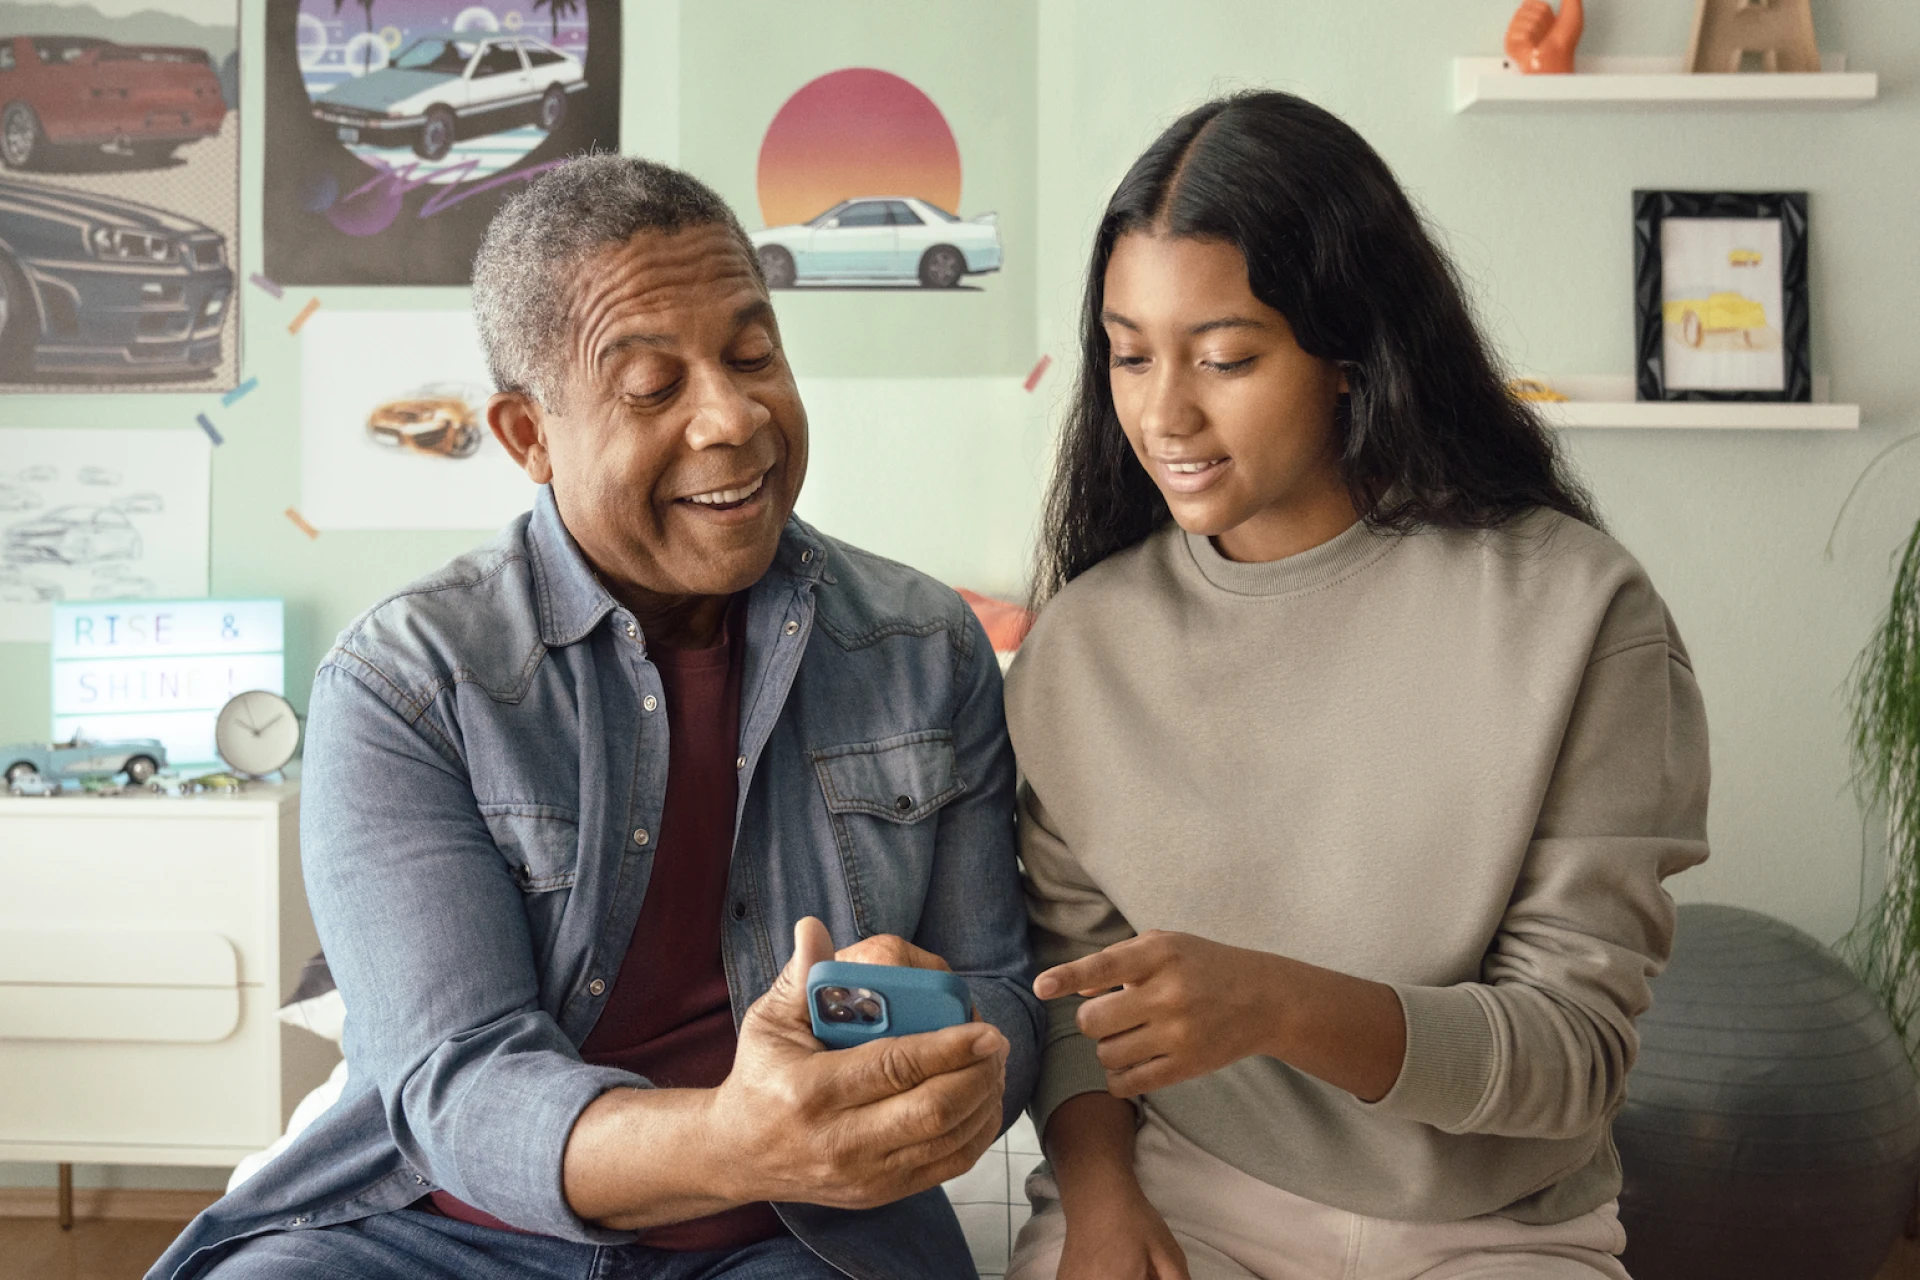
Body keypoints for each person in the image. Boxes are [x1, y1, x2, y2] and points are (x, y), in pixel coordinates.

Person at [149, 155, 1040, 1280]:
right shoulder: (404, 682)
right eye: (653, 386)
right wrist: (727, 1135)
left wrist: (953, 1082)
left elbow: (1002, 987)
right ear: (529, 435)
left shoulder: (924, 645)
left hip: (791, 1230)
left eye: (754, 355)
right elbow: (459, 1078)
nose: (733, 416)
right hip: (438, 1227)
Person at [1004, 91, 1709, 1280]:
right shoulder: (1083, 646)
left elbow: (1574, 1052)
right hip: (1184, 1194)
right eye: (1130, 354)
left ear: (1349, 353)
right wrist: (1099, 1197)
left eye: (1225, 355)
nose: (1162, 412)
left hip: (1497, 1225)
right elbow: (1076, 997)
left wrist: (1276, 1002)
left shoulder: (1577, 614)